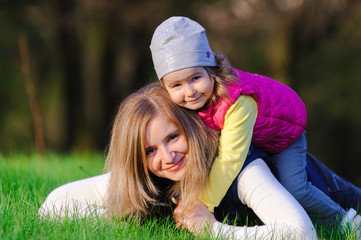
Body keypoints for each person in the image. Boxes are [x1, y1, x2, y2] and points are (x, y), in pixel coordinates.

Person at [39, 83, 361, 239]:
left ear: (192, 128)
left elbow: (302, 234)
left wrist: (215, 230)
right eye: (150, 151)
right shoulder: (153, 177)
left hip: (338, 201)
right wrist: (121, 216)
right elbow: (53, 205)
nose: (167, 157)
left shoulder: (240, 168)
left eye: (172, 137)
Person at [149, 16, 356, 227]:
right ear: (165, 87)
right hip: (257, 134)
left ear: (210, 71)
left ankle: (345, 222)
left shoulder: (236, 102)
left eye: (195, 78)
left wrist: (204, 203)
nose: (189, 92)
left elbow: (230, 159)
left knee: (295, 188)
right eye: (176, 85)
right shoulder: (189, 103)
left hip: (284, 135)